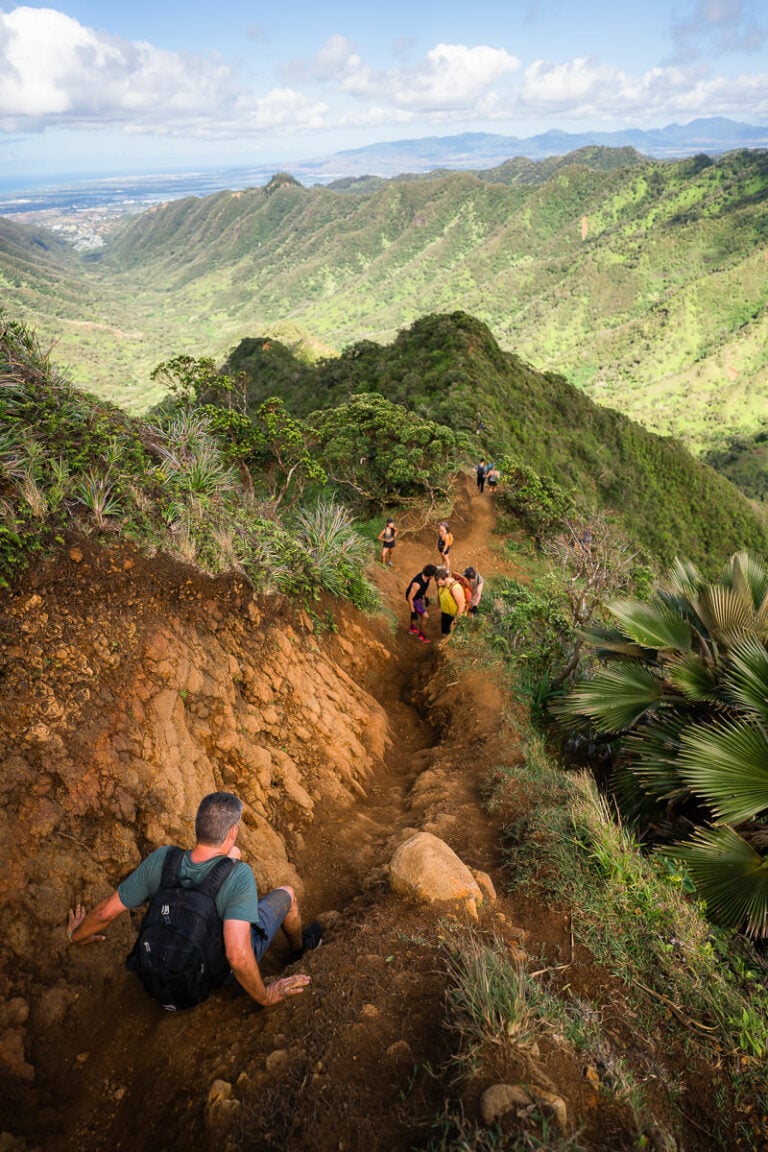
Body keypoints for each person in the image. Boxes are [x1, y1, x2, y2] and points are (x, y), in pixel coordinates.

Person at [66, 791, 321, 1009]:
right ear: (233, 831)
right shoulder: (239, 875)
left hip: (159, 965)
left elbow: (104, 913)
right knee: (287, 894)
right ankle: (300, 949)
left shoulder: (163, 859)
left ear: (198, 826)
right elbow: (237, 956)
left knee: (231, 859)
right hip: (210, 974)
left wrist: (76, 935)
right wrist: (266, 995)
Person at [404, 563, 436, 643]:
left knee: (416, 612)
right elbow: (410, 598)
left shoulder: (426, 578)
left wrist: (426, 597)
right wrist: (412, 611)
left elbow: (424, 588)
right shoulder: (417, 584)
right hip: (413, 599)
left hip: (418, 597)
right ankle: (421, 635)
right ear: (431, 575)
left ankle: (412, 628)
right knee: (425, 617)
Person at [435, 565, 466, 635]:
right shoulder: (441, 585)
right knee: (445, 633)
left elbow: (462, 606)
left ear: (445, 578)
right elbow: (439, 595)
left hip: (455, 616)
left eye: (440, 583)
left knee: (455, 635)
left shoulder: (456, 588)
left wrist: (455, 620)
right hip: (445, 614)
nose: (439, 585)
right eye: (438, 583)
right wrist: (438, 606)